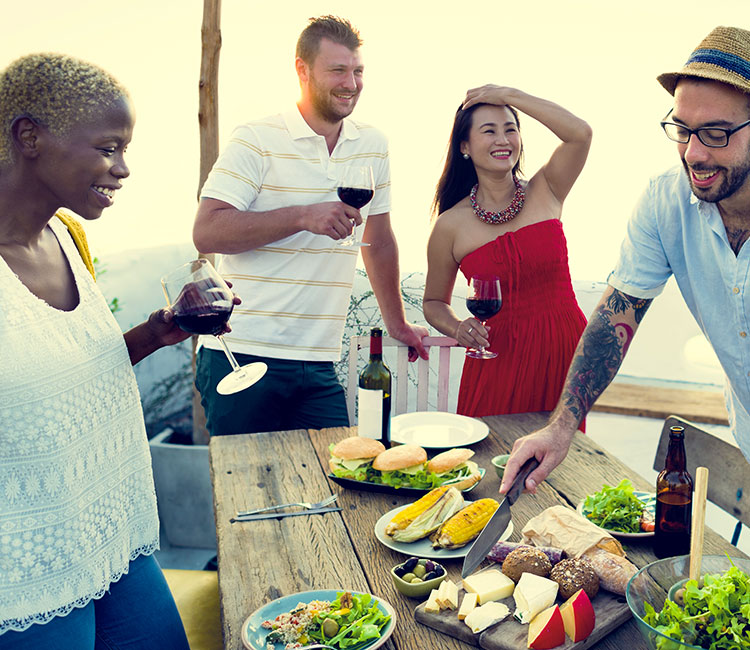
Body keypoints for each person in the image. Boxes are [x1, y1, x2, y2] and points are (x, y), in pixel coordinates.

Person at [501, 25, 750, 497]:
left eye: (716, 133)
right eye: (682, 130)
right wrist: (561, 427)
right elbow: (617, 314)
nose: (694, 153)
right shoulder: (664, 202)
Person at [0, 54, 191, 649]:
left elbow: (66, 367)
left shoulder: (67, 235)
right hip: (28, 570)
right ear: (29, 137)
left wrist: (157, 333)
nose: (123, 169)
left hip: (109, 531)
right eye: (108, 148)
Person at [192, 15, 428, 436]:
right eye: (338, 70)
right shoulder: (255, 137)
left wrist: (397, 323)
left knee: (333, 488)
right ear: (302, 70)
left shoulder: (372, 144)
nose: (351, 83)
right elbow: (208, 231)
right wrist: (304, 215)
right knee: (246, 496)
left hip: (319, 360)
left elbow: (379, 238)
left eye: (358, 71)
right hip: (243, 353)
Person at [423, 85, 591, 419]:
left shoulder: (548, 188)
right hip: (497, 358)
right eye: (489, 131)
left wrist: (508, 95)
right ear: (465, 147)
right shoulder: (449, 226)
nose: (503, 140)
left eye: (510, 129)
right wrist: (458, 328)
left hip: (562, 352)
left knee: (559, 466)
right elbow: (433, 303)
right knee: (487, 459)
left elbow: (580, 134)